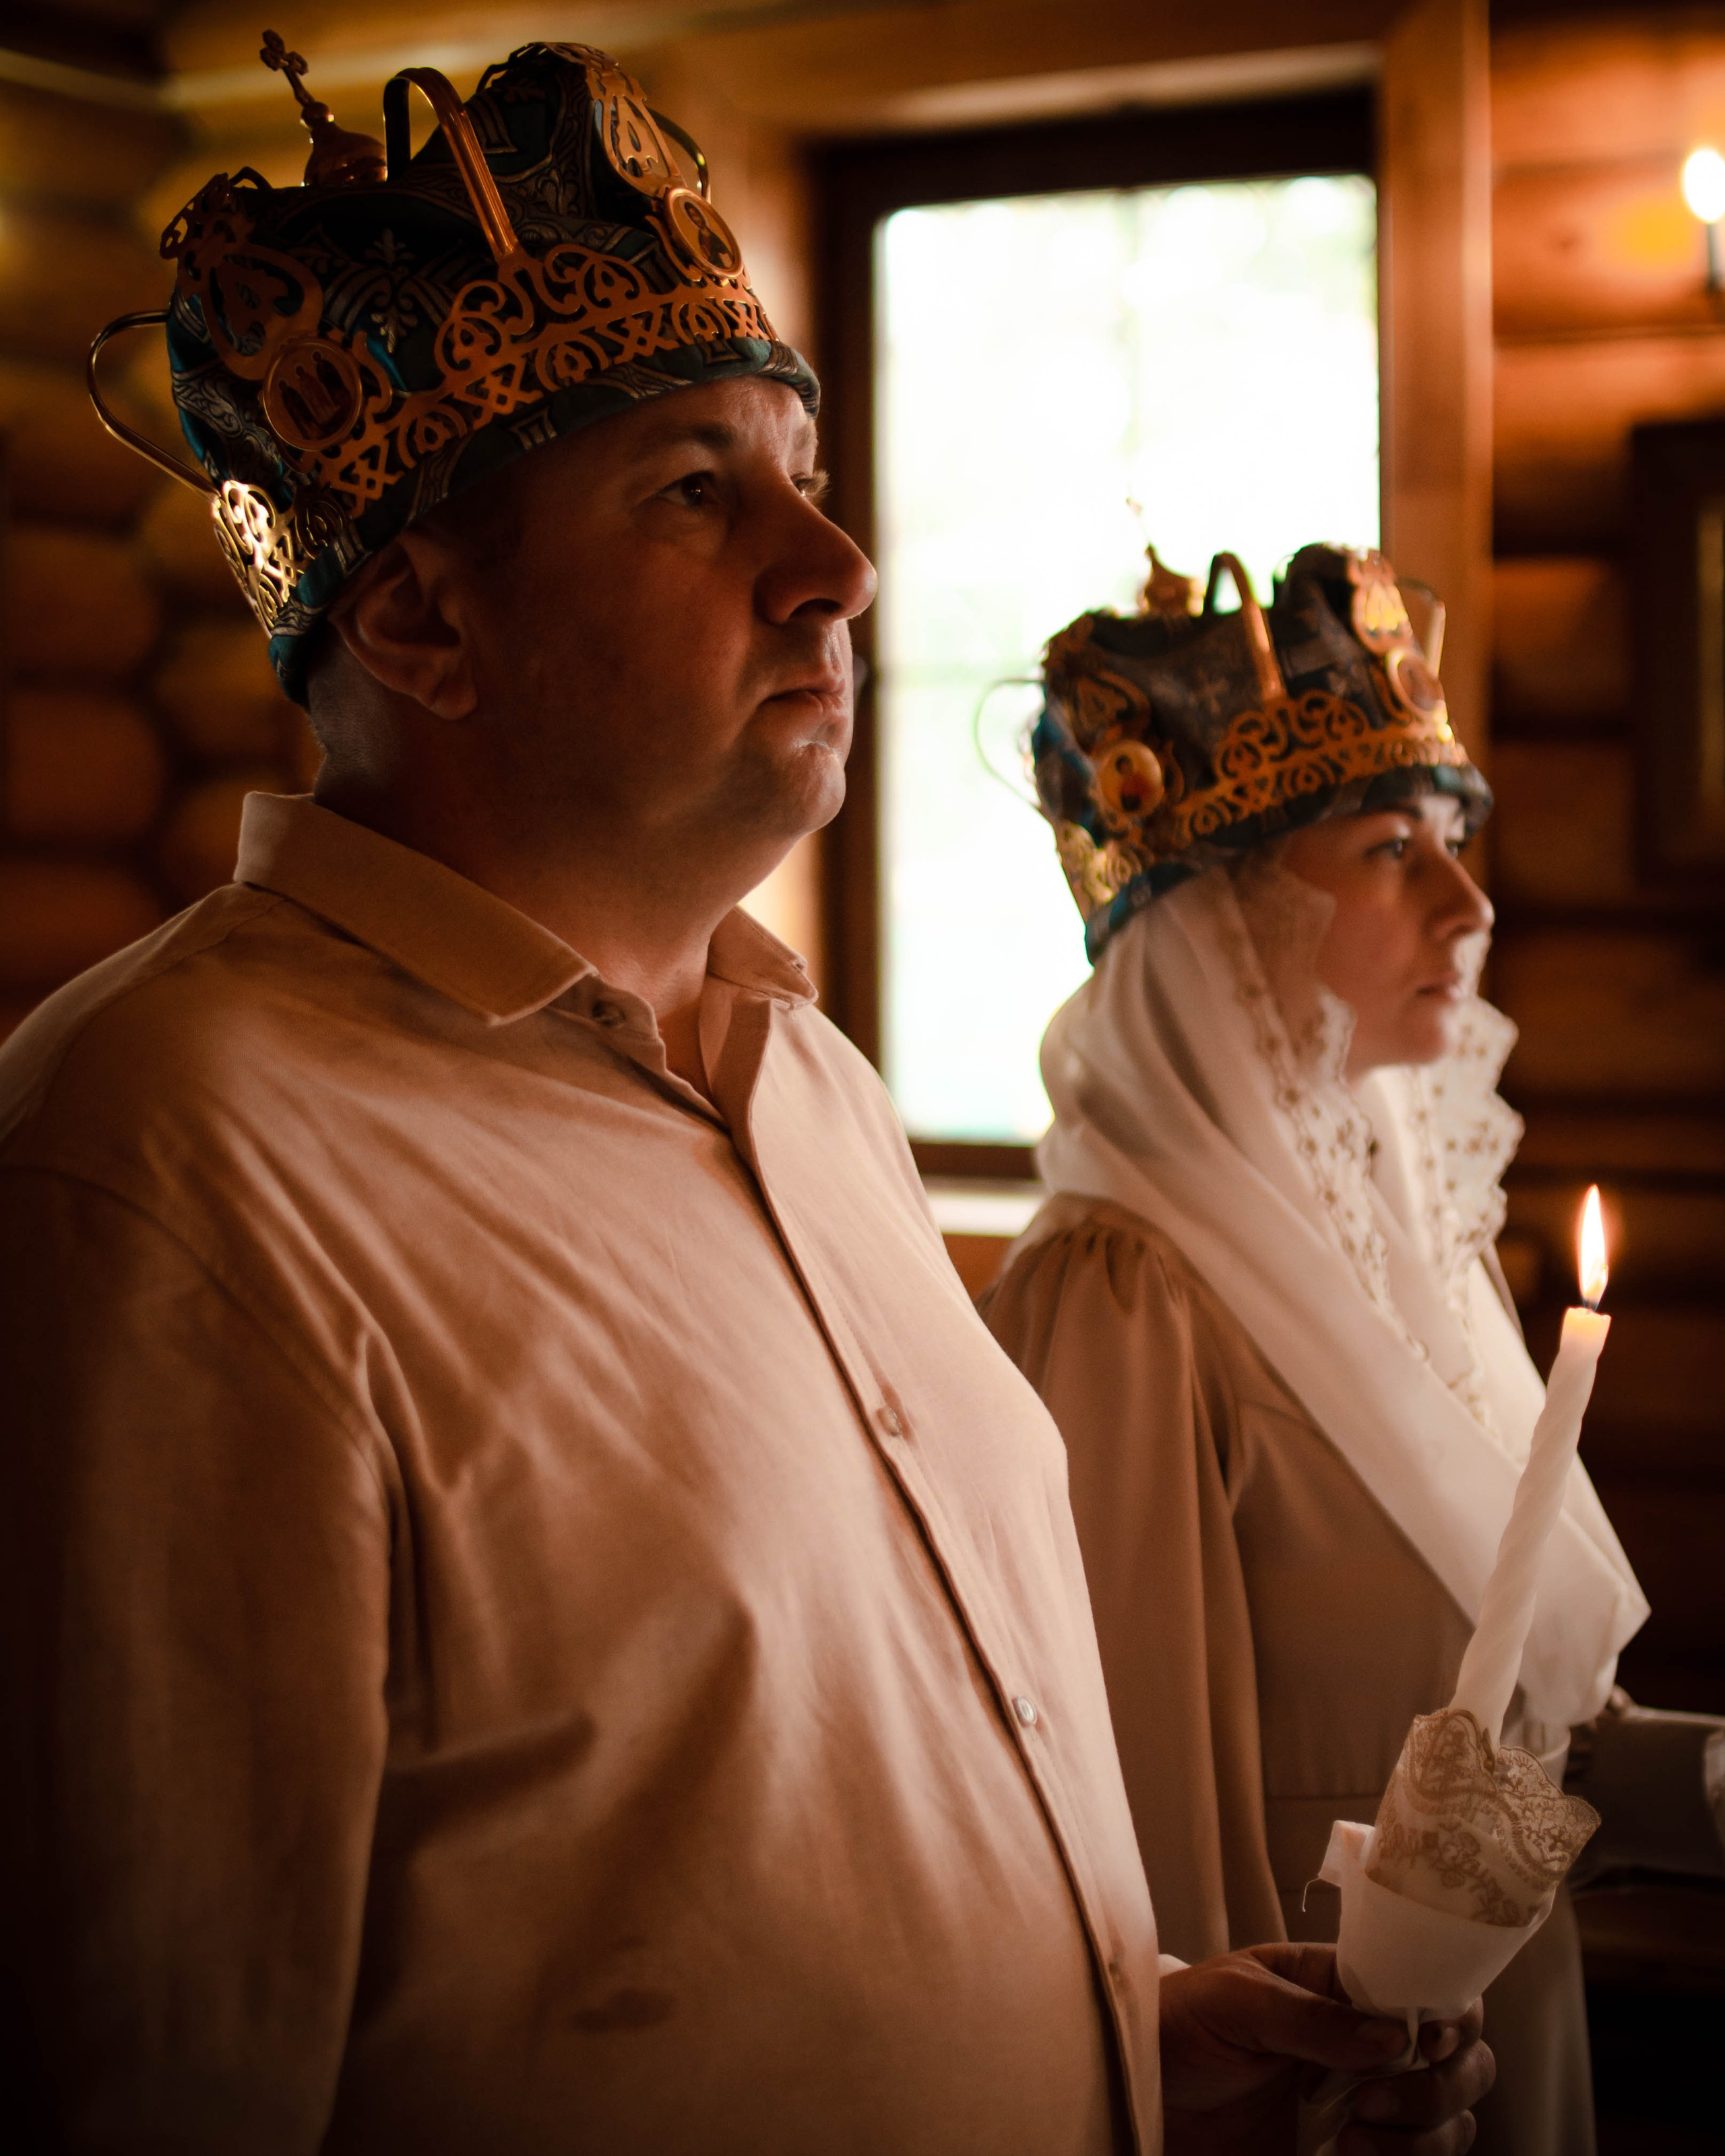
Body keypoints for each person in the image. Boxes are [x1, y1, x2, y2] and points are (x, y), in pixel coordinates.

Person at [0, 43, 1491, 2155]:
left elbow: (735, 1858)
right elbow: (148, 2077)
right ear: (423, 612)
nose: (840, 565)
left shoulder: (807, 1077)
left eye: (799, 466)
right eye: (695, 490)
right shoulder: (169, 1167)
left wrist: (1127, 2043)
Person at [982, 541, 1725, 2155]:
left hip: (1498, 2026)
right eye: (1390, 847)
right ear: (1222, 928)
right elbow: (1139, 1839)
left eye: (1453, 840)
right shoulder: (1122, 1296)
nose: (1465, 899)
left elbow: (1478, 1732)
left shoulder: (1393, 1247)